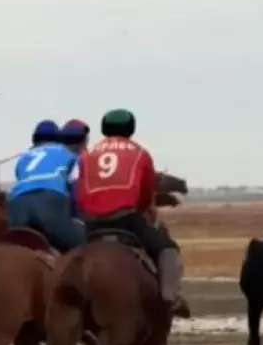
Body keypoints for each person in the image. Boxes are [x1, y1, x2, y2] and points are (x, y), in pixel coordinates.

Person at [76, 108, 189, 316]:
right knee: (167, 249)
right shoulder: (140, 153)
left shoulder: (86, 155)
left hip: (91, 223)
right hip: (126, 219)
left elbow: (81, 191)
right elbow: (146, 194)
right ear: (131, 128)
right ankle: (169, 297)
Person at [6, 120, 86, 253]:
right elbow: (75, 190)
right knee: (81, 249)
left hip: (16, 206)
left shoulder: (23, 158)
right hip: (50, 201)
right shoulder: (68, 154)